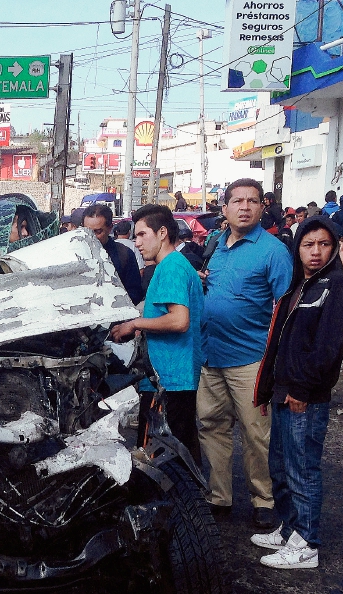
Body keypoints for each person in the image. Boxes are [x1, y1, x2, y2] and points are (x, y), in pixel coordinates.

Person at [252, 217, 343, 569]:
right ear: (297, 248)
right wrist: (270, 390)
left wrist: (302, 389)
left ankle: (307, 544)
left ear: (335, 247)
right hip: (285, 391)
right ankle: (290, 530)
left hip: (305, 397)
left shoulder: (337, 287)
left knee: (303, 469)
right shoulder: (302, 284)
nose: (315, 251)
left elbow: (329, 349)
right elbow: (281, 342)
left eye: (323, 244)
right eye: (308, 244)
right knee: (279, 467)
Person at [199, 177, 293, 528]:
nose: (245, 206)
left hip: (251, 360)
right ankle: (219, 497)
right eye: (237, 200)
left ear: (261, 207)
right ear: (224, 208)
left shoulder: (273, 251)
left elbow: (285, 310)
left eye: (252, 201)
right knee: (212, 427)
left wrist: (279, 363)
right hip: (211, 357)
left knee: (256, 435)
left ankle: (264, 501)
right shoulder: (215, 244)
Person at [110, 204, 205, 465]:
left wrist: (135, 324)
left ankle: (180, 507)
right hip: (172, 376)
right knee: (181, 453)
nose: (136, 242)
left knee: (165, 461)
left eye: (142, 235)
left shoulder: (171, 267)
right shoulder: (173, 265)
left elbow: (179, 320)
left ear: (162, 232)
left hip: (172, 378)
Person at [81, 204, 145, 304]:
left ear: (110, 228)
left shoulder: (124, 254)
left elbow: (135, 293)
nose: (92, 236)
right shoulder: (73, 253)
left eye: (98, 232)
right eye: (87, 231)